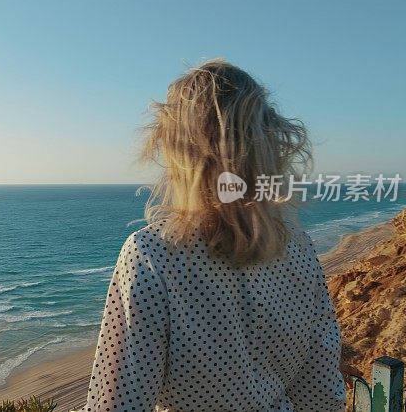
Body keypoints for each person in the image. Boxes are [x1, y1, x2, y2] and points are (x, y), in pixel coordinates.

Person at [84, 59, 347, 412]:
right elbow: (322, 392)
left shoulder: (153, 255)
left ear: (178, 148)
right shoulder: (297, 247)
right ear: (268, 142)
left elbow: (118, 404)